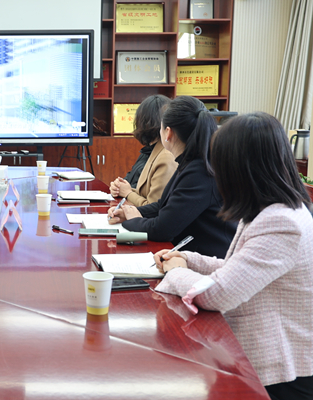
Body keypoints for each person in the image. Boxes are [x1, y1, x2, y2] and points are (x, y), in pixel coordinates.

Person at [153, 112, 313, 399]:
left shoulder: (281, 222)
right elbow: (235, 267)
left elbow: (218, 294)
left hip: (283, 373)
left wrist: (175, 271)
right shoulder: (268, 210)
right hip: (262, 360)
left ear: (241, 168)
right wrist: (188, 258)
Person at [108, 96, 236, 258]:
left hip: (206, 260)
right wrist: (130, 211)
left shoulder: (199, 172)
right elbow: (163, 205)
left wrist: (133, 220)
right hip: (189, 254)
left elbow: (162, 229)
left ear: (168, 133)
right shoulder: (191, 162)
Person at [110, 95, 177, 205]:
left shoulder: (165, 156)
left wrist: (127, 192)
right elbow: (137, 187)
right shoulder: (151, 151)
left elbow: (153, 207)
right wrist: (119, 187)